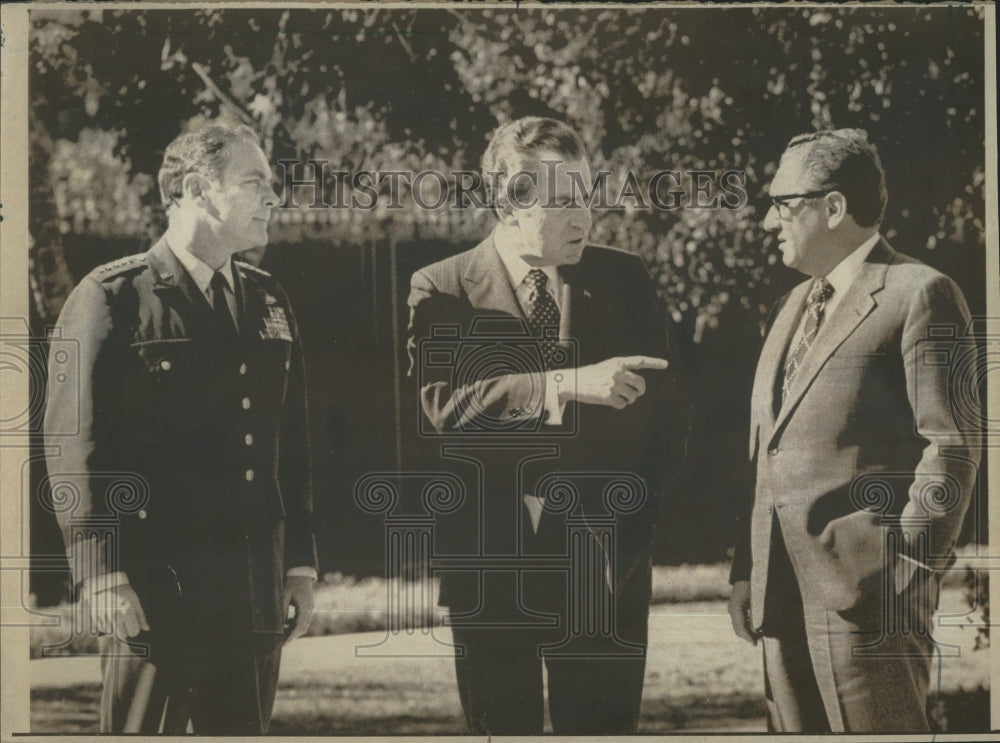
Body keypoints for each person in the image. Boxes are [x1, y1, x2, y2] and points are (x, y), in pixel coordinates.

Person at [406, 116, 690, 734]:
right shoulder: (442, 287)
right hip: (490, 572)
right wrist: (565, 384)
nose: (583, 217)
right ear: (508, 202)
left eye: (586, 197)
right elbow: (443, 412)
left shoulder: (624, 278)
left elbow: (668, 428)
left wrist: (629, 540)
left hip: (605, 570)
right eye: (562, 201)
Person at [43, 122, 317, 734]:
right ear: (196, 189)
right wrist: (101, 571)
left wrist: (299, 564)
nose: (274, 199)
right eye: (255, 184)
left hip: (252, 590)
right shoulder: (113, 297)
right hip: (157, 591)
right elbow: (74, 448)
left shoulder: (269, 299)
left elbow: (289, 446)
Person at [728, 129, 980, 732]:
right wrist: (745, 572)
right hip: (779, 599)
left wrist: (905, 576)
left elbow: (950, 450)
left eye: (782, 204)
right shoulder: (790, 307)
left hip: (871, 604)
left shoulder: (920, 293)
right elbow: (767, 451)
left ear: (834, 207)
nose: (769, 222)